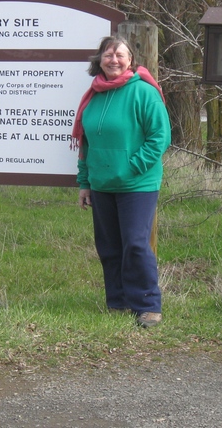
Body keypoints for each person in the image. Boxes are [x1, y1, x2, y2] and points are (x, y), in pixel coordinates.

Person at [71, 35, 171, 328]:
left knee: (136, 244)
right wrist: (84, 182)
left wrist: (132, 167)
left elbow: (160, 137)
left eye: (120, 55)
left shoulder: (143, 92)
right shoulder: (94, 94)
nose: (113, 60)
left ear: (131, 60)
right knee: (109, 246)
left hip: (136, 184)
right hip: (102, 184)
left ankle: (148, 305)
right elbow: (86, 142)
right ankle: (118, 301)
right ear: (99, 60)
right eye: (108, 55)